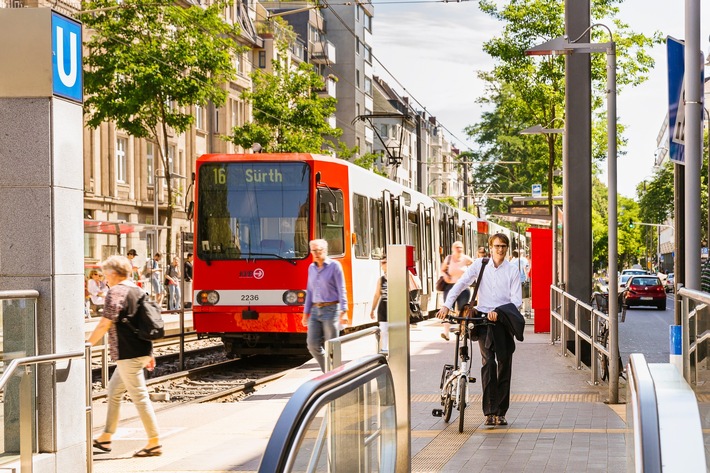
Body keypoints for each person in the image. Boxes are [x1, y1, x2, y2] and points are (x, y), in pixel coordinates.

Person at [436, 233, 523, 427]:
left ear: (507, 248)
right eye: (497, 246)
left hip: (503, 320)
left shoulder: (512, 271)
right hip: (483, 320)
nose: (500, 250)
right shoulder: (480, 265)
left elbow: (516, 300)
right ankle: (490, 412)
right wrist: (447, 305)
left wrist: (499, 312)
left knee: (504, 364)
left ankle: (502, 412)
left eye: (504, 246)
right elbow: (461, 284)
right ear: (490, 247)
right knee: (488, 363)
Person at [86, 255, 162, 457]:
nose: (104, 279)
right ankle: (106, 437)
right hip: (139, 351)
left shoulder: (116, 291)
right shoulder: (138, 290)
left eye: (105, 274)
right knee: (114, 391)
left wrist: (87, 344)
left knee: (140, 397)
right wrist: (150, 352)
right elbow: (144, 322)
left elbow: (105, 323)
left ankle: (154, 442)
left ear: (112, 273)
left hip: (128, 353)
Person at [301, 239, 348, 372]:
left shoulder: (335, 266)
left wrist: (344, 311)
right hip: (315, 310)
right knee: (312, 344)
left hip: (331, 309)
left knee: (331, 345)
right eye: (313, 251)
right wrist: (306, 313)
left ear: (325, 251)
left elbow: (342, 288)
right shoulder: (311, 268)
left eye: (318, 250)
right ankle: (328, 372)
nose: (315, 253)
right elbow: (309, 291)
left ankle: (335, 375)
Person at [439, 241, 474, 341]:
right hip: (450, 287)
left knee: (462, 310)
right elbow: (442, 270)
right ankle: (446, 332)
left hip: (463, 289)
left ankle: (462, 330)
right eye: (457, 247)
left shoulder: (466, 258)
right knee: (447, 309)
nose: (459, 249)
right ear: (453, 248)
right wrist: (445, 275)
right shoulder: (449, 258)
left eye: (460, 247)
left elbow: (475, 265)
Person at [370, 259, 390, 350]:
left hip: (394, 309)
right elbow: (377, 295)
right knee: (383, 331)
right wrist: (372, 309)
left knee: (394, 333)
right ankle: (383, 352)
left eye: (384, 262)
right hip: (383, 309)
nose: (382, 264)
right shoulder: (381, 280)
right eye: (381, 263)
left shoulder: (397, 278)